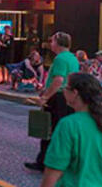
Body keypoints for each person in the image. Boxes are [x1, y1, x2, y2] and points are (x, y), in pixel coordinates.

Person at [41, 73, 102, 187]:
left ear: (75, 93)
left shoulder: (68, 124)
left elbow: (54, 170)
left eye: (66, 88)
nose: (63, 91)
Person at [24, 32, 80, 172]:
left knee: (49, 130)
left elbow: (59, 80)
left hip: (58, 97)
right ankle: (51, 160)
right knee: (60, 130)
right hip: (68, 97)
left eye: (52, 40)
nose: (51, 43)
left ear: (58, 43)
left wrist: (45, 97)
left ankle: (45, 162)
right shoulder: (72, 58)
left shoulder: (60, 59)